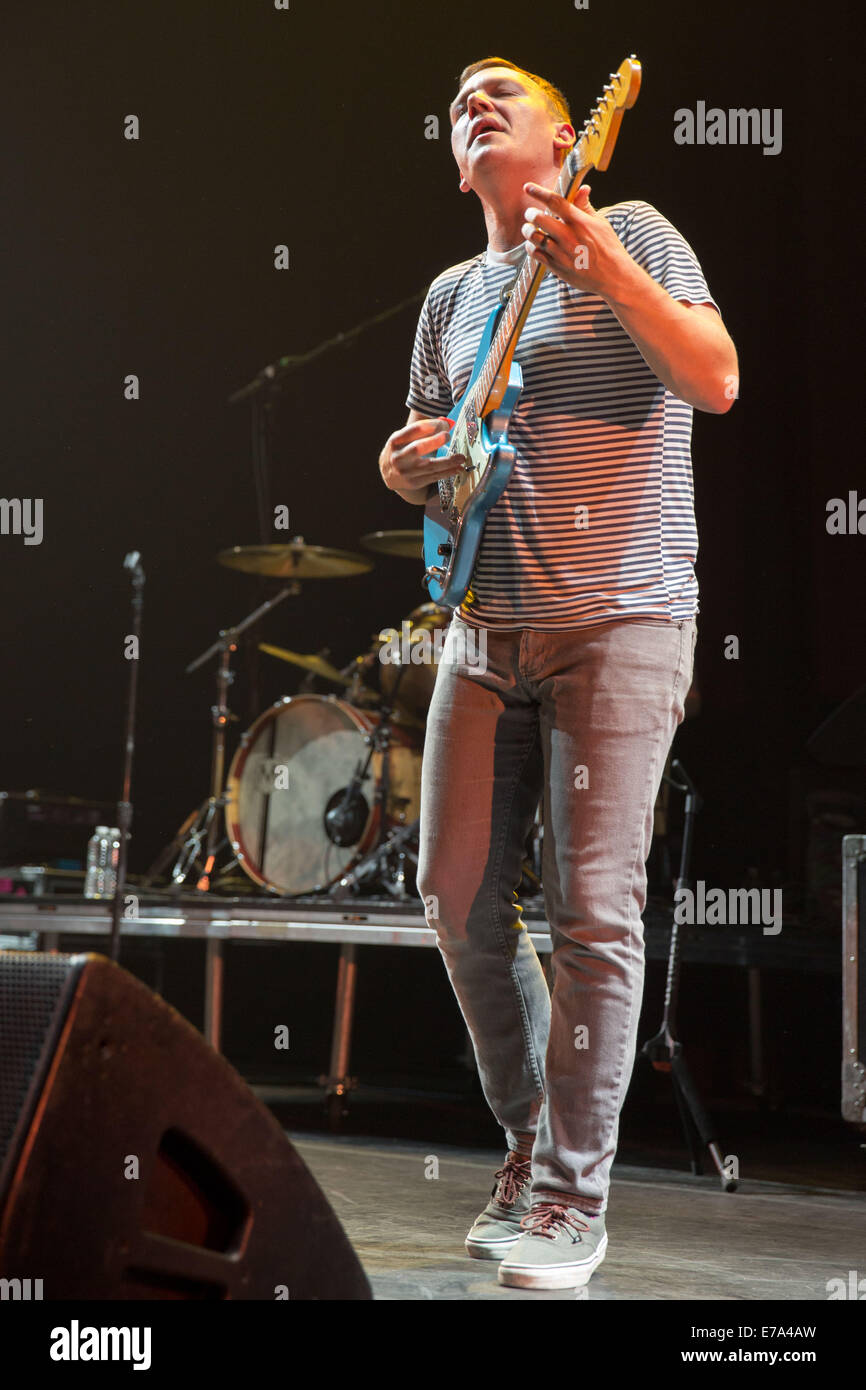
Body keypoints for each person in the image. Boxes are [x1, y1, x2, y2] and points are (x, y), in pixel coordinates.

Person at [378, 56, 737, 1291]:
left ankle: (572, 1204)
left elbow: (714, 376)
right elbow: (446, 462)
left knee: (592, 909)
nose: (469, 105)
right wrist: (405, 468)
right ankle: (532, 1144)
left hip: (620, 619)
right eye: (454, 104)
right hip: (487, 627)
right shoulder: (449, 298)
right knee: (454, 895)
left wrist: (603, 267)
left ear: (570, 135)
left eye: (497, 95)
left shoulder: (632, 229)